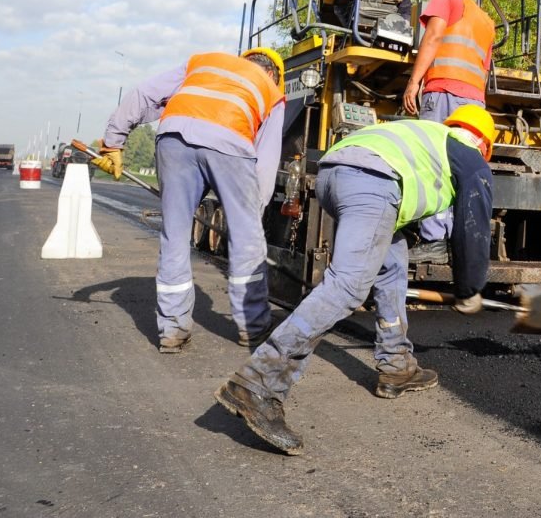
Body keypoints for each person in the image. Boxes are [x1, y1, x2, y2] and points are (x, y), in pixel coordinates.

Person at [213, 106, 497, 455]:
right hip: (373, 182)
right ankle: (259, 382)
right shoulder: (469, 155)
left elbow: (419, 213)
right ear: (484, 145)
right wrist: (469, 287)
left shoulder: (424, 137)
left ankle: (396, 365)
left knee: (392, 265)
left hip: (336, 175)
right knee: (348, 285)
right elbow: (474, 223)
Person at [92, 48, 286, 354]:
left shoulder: (203, 62)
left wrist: (114, 141)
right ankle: (253, 327)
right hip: (230, 143)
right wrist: (252, 213)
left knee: (175, 235)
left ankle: (173, 329)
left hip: (173, 138)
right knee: (247, 240)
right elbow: (265, 163)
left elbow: (144, 94)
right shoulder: (272, 92)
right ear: (274, 73)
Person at [401, 0, 495, 263]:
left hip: (443, 91)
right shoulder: (486, 20)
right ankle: (461, 245)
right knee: (463, 173)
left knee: (434, 166)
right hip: (474, 103)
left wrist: (413, 82)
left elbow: (433, 37)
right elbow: (484, 68)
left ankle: (433, 241)